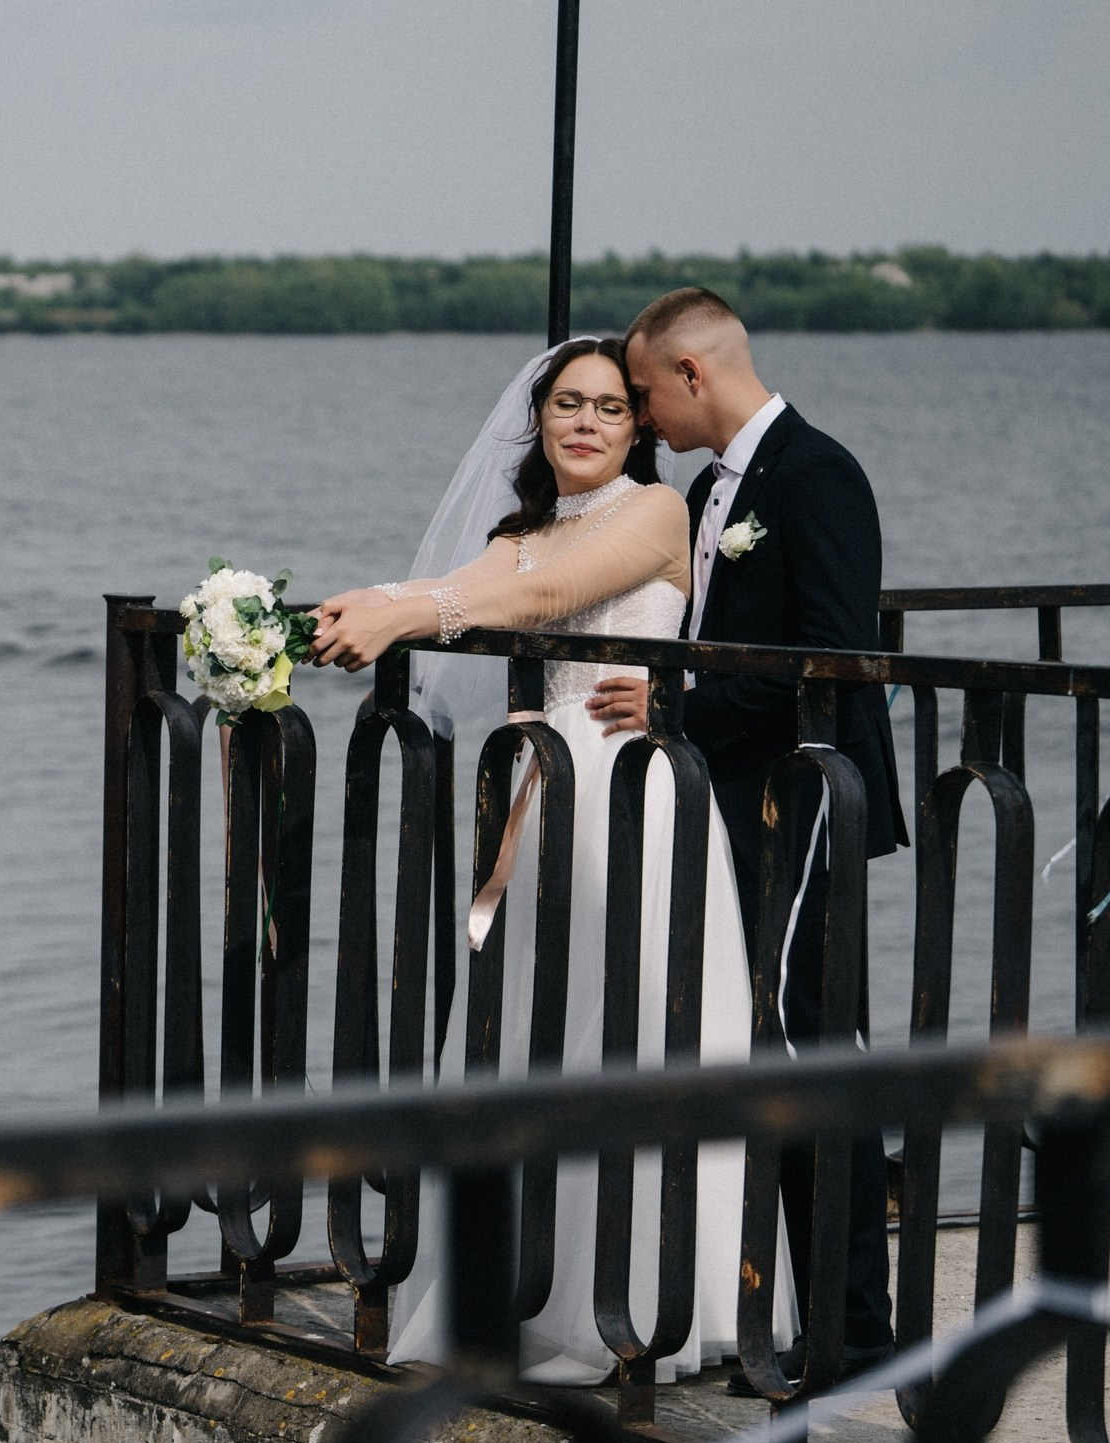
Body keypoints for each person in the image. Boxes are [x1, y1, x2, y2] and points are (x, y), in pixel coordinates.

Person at [311, 336, 792, 1384]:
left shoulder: (652, 514)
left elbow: (534, 603)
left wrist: (403, 617)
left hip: (633, 790)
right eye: (564, 404)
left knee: (629, 1035)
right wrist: (370, 601)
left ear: (636, 427)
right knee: (538, 1034)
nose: (582, 422)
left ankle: (639, 1305)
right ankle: (532, 1287)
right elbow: (472, 581)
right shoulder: (519, 526)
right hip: (541, 800)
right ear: (538, 422)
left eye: (607, 407)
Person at [609, 289, 906, 1385]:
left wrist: (677, 711)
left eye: (643, 394)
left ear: (691, 373)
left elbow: (831, 663)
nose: (642, 418)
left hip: (805, 802)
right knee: (765, 1048)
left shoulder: (817, 475)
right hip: (737, 805)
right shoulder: (703, 489)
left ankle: (856, 1329)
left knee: (816, 1055)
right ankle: (791, 1305)